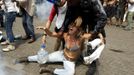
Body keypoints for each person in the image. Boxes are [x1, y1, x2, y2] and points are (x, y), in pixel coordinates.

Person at [16, 17, 104, 75]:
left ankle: (50, 70)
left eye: (72, 28)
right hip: (61, 54)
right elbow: (53, 34)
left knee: (70, 73)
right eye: (70, 27)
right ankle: (26, 58)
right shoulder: (66, 35)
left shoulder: (81, 38)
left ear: (78, 30)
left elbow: (93, 34)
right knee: (44, 58)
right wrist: (46, 30)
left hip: (70, 61)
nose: (70, 28)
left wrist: (100, 36)